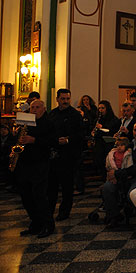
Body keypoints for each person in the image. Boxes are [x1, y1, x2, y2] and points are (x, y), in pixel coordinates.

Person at [102, 120, 136, 227]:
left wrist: (117, 173)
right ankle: (114, 216)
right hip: (125, 175)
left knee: (132, 194)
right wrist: (113, 172)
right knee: (107, 187)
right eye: (135, 130)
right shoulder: (130, 144)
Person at [15, 100, 56, 238]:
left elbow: (53, 141)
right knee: (26, 195)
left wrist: (34, 140)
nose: (34, 109)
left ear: (44, 109)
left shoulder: (48, 123)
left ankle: (48, 225)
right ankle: (35, 223)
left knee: (39, 195)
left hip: (40, 163)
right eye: (32, 107)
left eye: (37, 107)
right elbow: (19, 138)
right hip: (25, 162)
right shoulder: (26, 121)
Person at [48, 88, 84, 221]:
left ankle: (64, 212)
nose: (65, 101)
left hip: (68, 155)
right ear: (57, 99)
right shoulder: (52, 114)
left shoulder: (75, 115)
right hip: (53, 154)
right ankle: (49, 211)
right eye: (63, 99)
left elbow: (81, 135)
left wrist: (68, 139)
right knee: (51, 186)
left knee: (67, 186)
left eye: (67, 99)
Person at [92, 100, 120, 179]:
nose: (100, 110)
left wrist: (102, 128)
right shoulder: (98, 119)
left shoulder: (114, 119)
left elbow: (112, 131)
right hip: (99, 144)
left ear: (107, 109)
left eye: (103, 108)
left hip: (108, 144)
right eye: (99, 108)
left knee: (106, 162)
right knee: (98, 161)